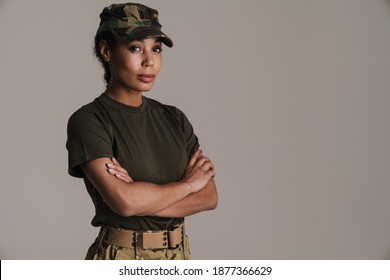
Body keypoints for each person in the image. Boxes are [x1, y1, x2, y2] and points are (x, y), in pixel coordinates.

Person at [66, 2, 218, 260]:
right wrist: (189, 184)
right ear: (106, 51)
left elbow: (208, 197)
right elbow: (124, 202)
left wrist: (142, 199)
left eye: (156, 49)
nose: (149, 61)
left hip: (179, 255)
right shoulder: (90, 120)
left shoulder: (174, 118)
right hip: (123, 255)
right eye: (136, 48)